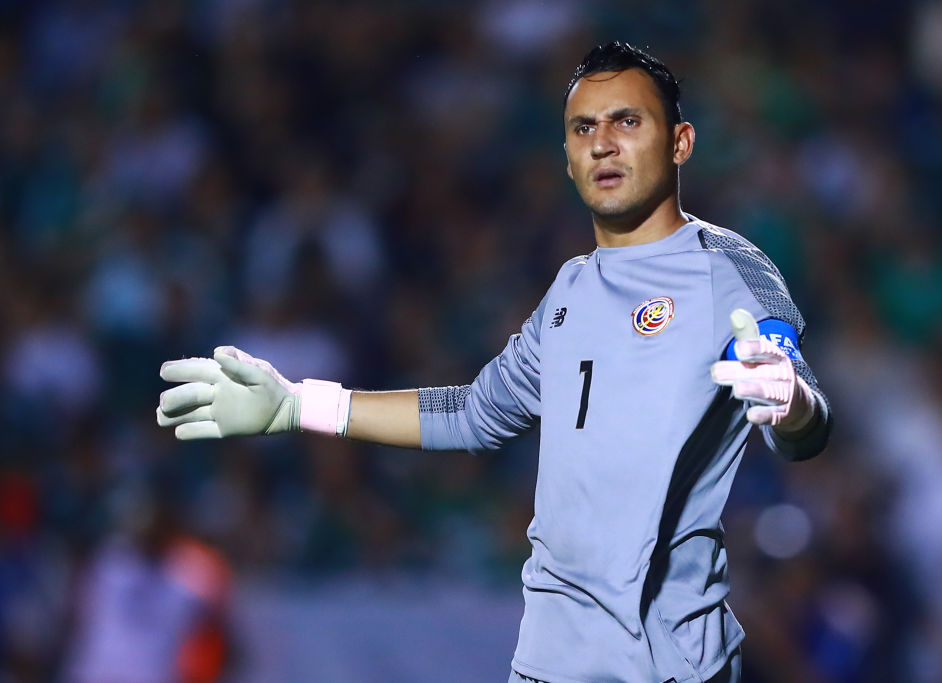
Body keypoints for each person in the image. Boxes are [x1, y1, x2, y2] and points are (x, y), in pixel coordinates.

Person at [156, 42, 831, 683]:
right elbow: (474, 413)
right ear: (567, 157)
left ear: (679, 142)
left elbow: (799, 409)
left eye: (628, 121)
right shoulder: (568, 290)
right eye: (583, 128)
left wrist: (789, 401)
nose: (602, 142)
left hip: (666, 663)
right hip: (548, 659)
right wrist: (298, 402)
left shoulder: (726, 268)